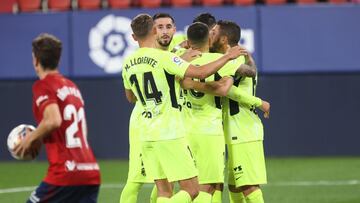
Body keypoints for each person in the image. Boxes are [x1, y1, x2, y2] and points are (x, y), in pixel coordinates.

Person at [122, 14, 243, 203]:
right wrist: (227, 57)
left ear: (133, 37)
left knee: (163, 191)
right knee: (192, 190)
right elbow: (201, 72)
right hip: (169, 132)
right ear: (154, 31)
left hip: (145, 132)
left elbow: (131, 97)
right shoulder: (165, 58)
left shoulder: (128, 63)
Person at [14, 33, 101, 202]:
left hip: (65, 173)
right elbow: (81, 131)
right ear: (58, 60)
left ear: (36, 60)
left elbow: (53, 120)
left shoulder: (43, 85)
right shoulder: (71, 87)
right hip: (90, 171)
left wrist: (30, 139)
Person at [210, 20, 269, 203]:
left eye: (213, 32)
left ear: (224, 39)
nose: (209, 35)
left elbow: (229, 89)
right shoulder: (236, 58)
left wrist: (260, 102)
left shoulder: (234, 60)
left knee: (248, 185)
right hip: (236, 129)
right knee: (234, 184)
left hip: (242, 130)